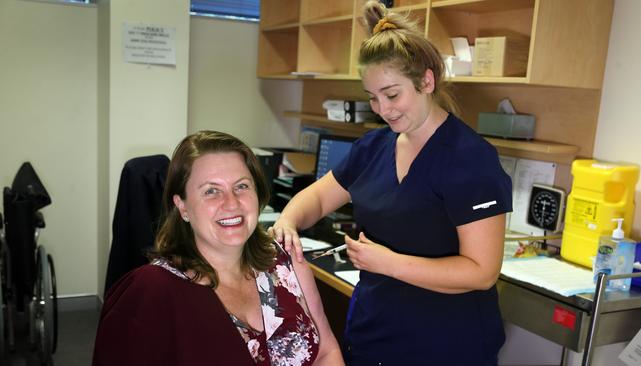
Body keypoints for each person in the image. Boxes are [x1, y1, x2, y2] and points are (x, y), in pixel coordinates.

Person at [269, 1, 513, 365]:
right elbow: (318, 200)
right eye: (373, 98)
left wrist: (389, 263)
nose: (384, 109)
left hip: (446, 346)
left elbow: (481, 272)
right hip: (375, 335)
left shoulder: (470, 159)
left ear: (426, 81)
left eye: (393, 94)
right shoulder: (373, 147)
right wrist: (288, 221)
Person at [93, 130, 344, 366]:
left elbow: (326, 352)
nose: (231, 203)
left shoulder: (287, 262)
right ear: (182, 206)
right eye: (212, 191)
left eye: (242, 186)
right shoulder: (154, 290)